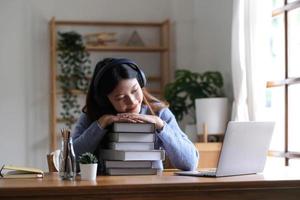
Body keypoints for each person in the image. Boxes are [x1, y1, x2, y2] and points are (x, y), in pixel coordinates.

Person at [72, 57, 199, 173]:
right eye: (120, 97)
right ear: (105, 100)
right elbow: (71, 163)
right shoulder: (93, 117)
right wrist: (101, 124)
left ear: (141, 83)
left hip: (151, 188)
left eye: (135, 90)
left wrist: (161, 126)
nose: (132, 101)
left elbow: (190, 163)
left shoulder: (159, 113)